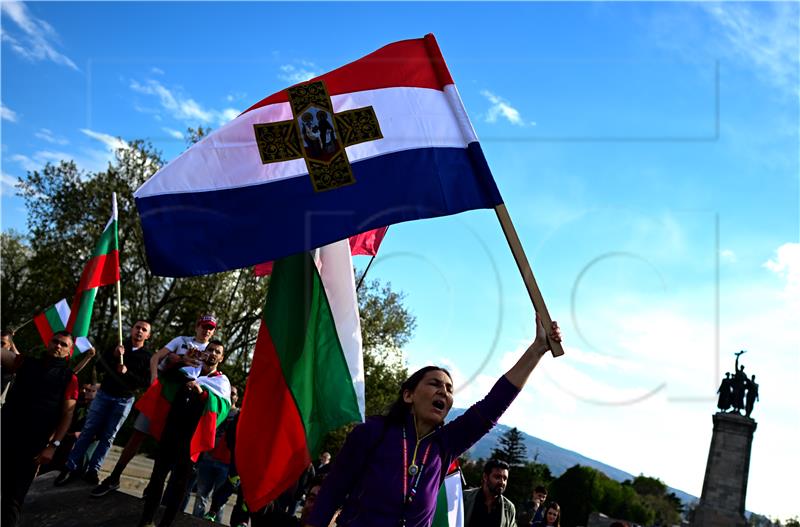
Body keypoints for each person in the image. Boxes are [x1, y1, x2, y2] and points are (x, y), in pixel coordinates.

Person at [306, 315, 561, 527]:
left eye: (449, 389)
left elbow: (493, 404)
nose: (444, 392)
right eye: (435, 384)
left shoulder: (445, 445)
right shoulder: (372, 432)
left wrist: (537, 349)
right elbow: (332, 493)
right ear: (408, 395)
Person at [92, 314, 216, 497]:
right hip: (165, 390)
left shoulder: (211, 351)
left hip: (184, 398)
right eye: (204, 326)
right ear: (197, 326)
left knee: (167, 445)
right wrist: (154, 380)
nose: (206, 330)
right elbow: (156, 358)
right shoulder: (181, 340)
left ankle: (153, 488)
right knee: (138, 434)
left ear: (213, 332)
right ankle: (114, 477)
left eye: (210, 328)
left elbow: (210, 374)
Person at [138, 339, 231, 527]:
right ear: (204, 353)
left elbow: (221, 409)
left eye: (217, 351)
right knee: (157, 477)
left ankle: (166, 523)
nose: (212, 353)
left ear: (221, 358)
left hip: (191, 439)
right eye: (210, 349)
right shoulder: (189, 370)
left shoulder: (222, 382)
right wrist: (182, 361)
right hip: (171, 431)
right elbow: (164, 380)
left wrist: (202, 393)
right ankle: (146, 520)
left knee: (179, 484)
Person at [55, 320, 153, 486]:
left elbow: (144, 383)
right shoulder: (118, 346)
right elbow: (99, 367)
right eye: (137, 327)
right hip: (104, 395)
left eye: (144, 330)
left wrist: (127, 373)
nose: (139, 331)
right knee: (88, 430)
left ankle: (93, 469)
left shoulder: (147, 357)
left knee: (108, 436)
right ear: (132, 329)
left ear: (148, 335)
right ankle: (69, 466)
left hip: (124, 399)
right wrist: (114, 356)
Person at [1, 331, 79, 527]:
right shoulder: (26, 363)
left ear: (69, 351)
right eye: (55, 341)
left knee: (13, 500)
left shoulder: (70, 378)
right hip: (5, 433)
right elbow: (5, 355)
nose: (58, 346)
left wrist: (53, 445)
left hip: (33, 446)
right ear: (48, 343)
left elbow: (67, 415)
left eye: (63, 344)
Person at [192, 385, 240, 518]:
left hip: (227, 463)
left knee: (219, 502)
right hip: (208, 458)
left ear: (237, 398)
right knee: (201, 496)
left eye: (233, 394)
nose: (231, 395)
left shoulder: (239, 415)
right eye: (229, 392)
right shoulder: (217, 407)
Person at [463, 459, 516, 527]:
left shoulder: (509, 508)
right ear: (485, 477)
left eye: (505, 478)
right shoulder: (465, 498)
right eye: (497, 477)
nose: (502, 482)